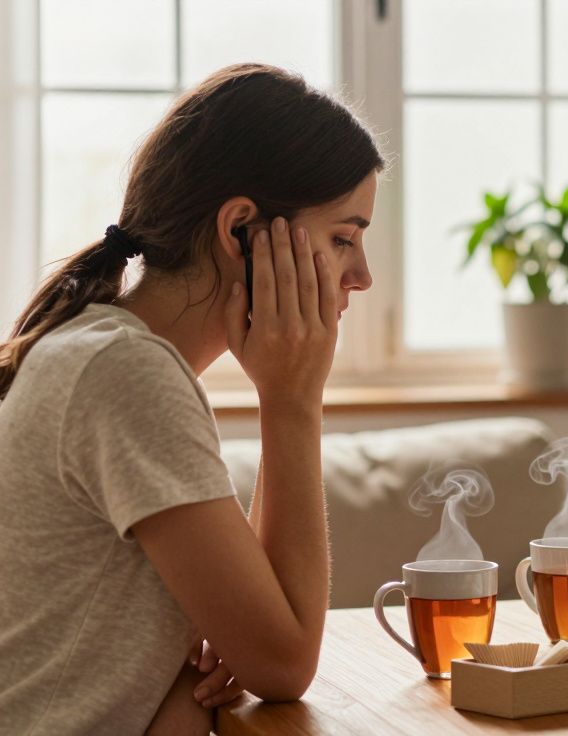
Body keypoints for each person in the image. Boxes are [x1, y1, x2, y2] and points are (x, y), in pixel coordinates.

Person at [0, 63, 382, 735]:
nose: (362, 276)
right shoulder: (124, 374)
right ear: (240, 230)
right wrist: (292, 401)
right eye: (342, 238)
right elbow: (285, 662)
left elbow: (263, 638)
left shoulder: (104, 349)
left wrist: (210, 642)